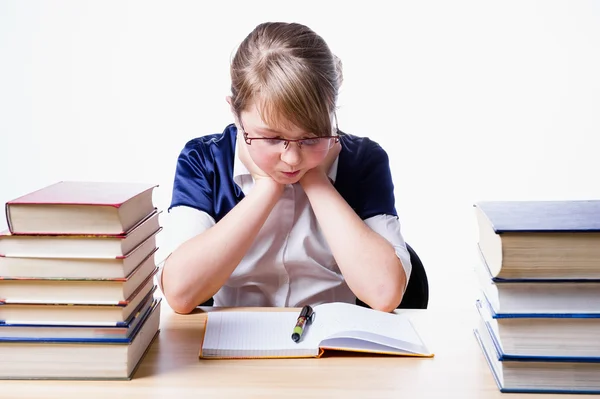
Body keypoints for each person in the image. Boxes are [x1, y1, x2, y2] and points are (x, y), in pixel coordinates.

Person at [160, 22, 412, 314]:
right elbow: (180, 292)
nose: (292, 159)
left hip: (332, 346)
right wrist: (266, 187)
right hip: (233, 344)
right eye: (271, 138)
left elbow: (384, 293)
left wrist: (317, 180)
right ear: (235, 113)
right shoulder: (204, 160)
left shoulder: (364, 160)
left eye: (311, 137)